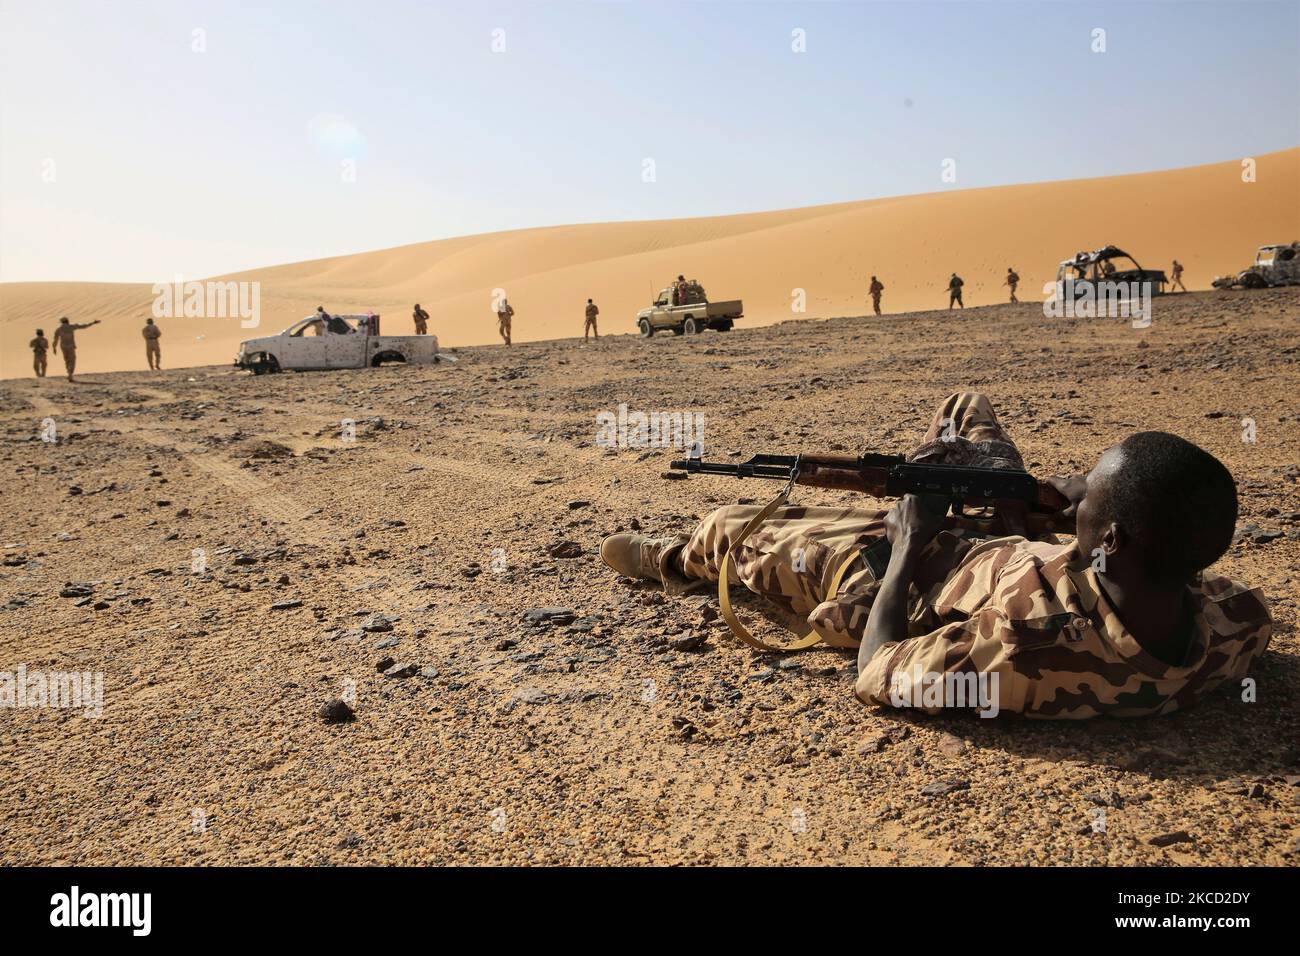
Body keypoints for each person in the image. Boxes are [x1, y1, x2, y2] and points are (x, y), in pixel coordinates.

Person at [600, 392, 1271, 719]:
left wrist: (908, 543)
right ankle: (929, 480)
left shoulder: (1024, 649)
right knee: (963, 407)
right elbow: (1165, 552)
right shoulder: (1235, 620)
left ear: (1116, 539)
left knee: (730, 525)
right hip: (998, 541)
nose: (1078, 497)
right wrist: (1037, 509)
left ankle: (675, 560)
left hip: (907, 581)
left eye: (1089, 496)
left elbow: (877, 670)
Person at [50, 316, 101, 382]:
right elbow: (83, 326)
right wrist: (93, 323)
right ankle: (70, 374)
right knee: (72, 360)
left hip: (63, 346)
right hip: (70, 346)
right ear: (67, 321)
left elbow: (55, 339)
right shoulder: (71, 326)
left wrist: (54, 347)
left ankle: (69, 373)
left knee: (67, 360)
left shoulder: (58, 329)